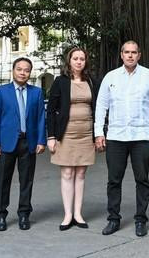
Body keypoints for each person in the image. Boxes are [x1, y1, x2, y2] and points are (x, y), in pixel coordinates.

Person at [94, 40, 149, 237]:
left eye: (134, 52)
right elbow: (101, 105)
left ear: (139, 55)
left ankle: (140, 219)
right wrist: (99, 132)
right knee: (114, 180)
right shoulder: (111, 77)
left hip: (141, 136)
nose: (130, 55)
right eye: (127, 52)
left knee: (142, 179)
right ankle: (113, 219)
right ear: (121, 55)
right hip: (116, 136)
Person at [0, 57, 46, 232]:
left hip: (28, 142)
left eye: (26, 70)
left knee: (26, 181)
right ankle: (1, 215)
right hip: (6, 143)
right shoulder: (1, 91)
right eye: (19, 69)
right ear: (13, 70)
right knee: (3, 181)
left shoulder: (36, 92)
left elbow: (41, 118)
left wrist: (41, 140)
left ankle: (24, 214)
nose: (23, 73)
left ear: (30, 73)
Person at [47, 47, 97, 230]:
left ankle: (78, 214)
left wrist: (99, 134)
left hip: (86, 134)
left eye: (82, 59)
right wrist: (51, 136)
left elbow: (98, 107)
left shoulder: (91, 81)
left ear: (86, 61)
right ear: (69, 61)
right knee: (67, 173)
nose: (79, 62)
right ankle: (68, 215)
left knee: (81, 173)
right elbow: (51, 110)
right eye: (75, 58)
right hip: (66, 134)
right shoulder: (60, 81)